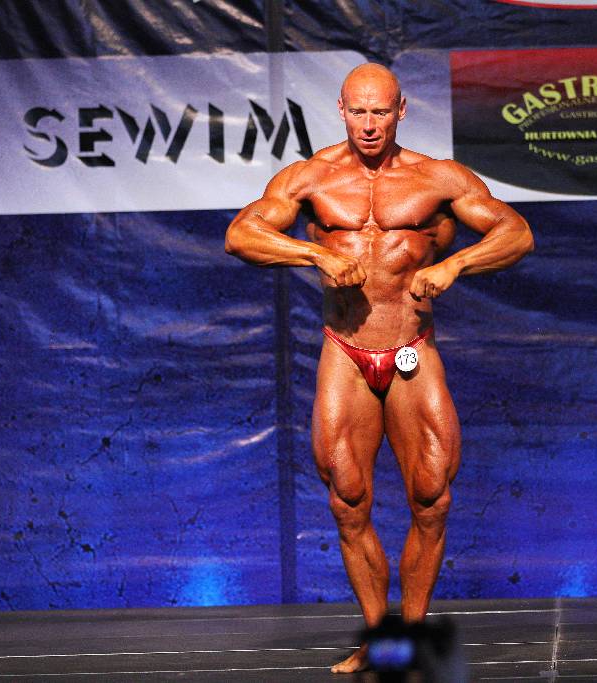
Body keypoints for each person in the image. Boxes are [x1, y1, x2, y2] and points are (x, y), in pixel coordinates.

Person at [224, 62, 533, 674]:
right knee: (348, 497)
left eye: (381, 112)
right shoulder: (311, 177)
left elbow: (516, 234)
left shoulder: (438, 178)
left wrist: (454, 265)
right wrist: (313, 254)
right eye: (359, 111)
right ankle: (379, 639)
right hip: (346, 349)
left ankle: (411, 637)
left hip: (413, 348)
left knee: (431, 495)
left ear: (401, 111)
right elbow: (241, 235)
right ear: (341, 109)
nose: (369, 124)